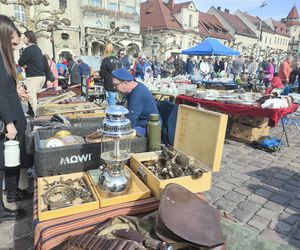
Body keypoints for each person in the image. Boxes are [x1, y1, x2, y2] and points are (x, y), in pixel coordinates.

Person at [0, 15, 33, 222]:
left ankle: (13, 193)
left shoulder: (5, 56)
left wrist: (17, 90)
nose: (14, 48)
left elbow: (5, 87)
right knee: (3, 164)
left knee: (12, 160)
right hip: (7, 118)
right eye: (12, 44)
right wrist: (9, 122)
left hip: (12, 112)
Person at [112, 68, 160, 136]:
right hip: (140, 123)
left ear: (125, 82)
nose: (114, 87)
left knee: (119, 134)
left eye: (115, 84)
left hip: (148, 128)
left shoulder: (137, 95)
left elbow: (130, 123)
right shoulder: (132, 88)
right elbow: (125, 110)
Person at [18, 30, 46, 117]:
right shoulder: (38, 49)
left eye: (24, 37)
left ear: (28, 38)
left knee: (32, 97)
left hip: (33, 77)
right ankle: (31, 112)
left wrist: (25, 66)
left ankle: (38, 118)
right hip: (41, 76)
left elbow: (20, 62)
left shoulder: (28, 50)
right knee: (36, 97)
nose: (23, 39)